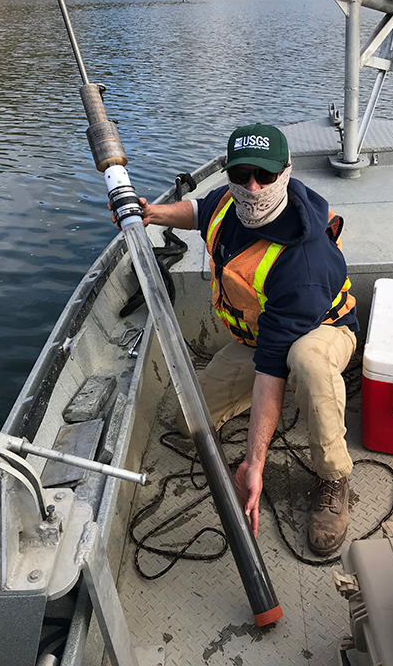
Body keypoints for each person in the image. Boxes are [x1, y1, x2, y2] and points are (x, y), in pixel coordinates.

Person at [127, 123, 359, 555]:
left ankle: (333, 475)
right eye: (241, 174)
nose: (253, 187)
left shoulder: (304, 262)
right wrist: (152, 213)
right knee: (188, 425)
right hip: (258, 340)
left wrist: (254, 463)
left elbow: (272, 366)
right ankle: (275, 407)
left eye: (265, 176)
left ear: (285, 172)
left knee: (304, 360)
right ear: (230, 175)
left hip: (324, 332)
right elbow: (199, 211)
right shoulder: (229, 202)